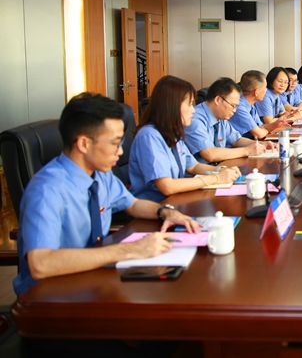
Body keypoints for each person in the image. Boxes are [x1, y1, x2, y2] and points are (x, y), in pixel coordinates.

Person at [14, 93, 200, 298]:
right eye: (114, 143)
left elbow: (132, 204)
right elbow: (41, 264)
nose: (120, 152)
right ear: (84, 144)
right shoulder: (47, 190)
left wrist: (165, 211)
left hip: (93, 278)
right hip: (51, 298)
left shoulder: (100, 174)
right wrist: (130, 250)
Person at [129, 75, 242, 202]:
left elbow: (193, 166)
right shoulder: (149, 136)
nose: (193, 110)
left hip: (177, 199)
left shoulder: (173, 133)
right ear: (172, 106)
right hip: (156, 205)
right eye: (189, 104)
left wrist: (221, 170)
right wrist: (215, 178)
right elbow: (167, 186)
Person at [184, 77, 268, 163]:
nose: (234, 110)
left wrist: (262, 145)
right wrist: (246, 151)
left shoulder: (221, 117)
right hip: (204, 170)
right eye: (233, 106)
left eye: (236, 106)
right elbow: (209, 154)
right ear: (218, 100)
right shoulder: (195, 119)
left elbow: (237, 140)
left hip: (220, 166)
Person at [230, 70, 290, 139]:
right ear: (256, 92)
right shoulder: (239, 106)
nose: (266, 91)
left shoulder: (251, 105)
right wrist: (266, 130)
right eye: (265, 88)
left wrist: (276, 124)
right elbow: (259, 134)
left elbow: (261, 126)